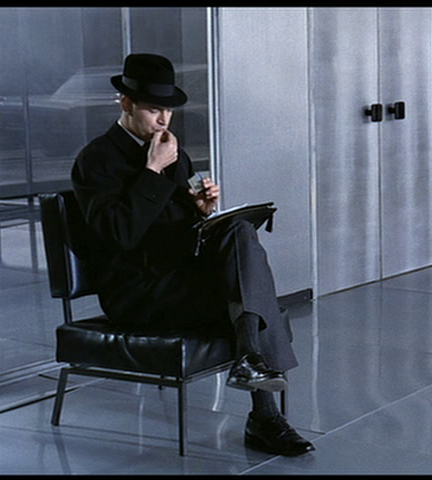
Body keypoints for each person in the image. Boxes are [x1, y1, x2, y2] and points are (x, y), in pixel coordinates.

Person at [70, 53, 314, 456]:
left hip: (177, 277)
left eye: (168, 110)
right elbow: (118, 236)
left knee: (239, 231)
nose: (163, 120)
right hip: (136, 290)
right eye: (153, 110)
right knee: (247, 298)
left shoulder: (173, 154)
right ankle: (264, 415)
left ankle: (250, 361)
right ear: (126, 103)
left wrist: (202, 211)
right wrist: (152, 172)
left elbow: (181, 231)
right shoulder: (96, 159)